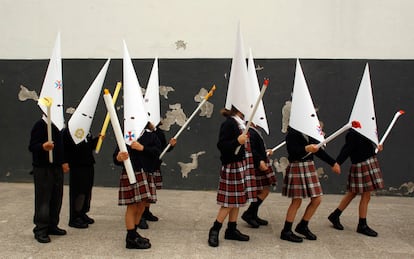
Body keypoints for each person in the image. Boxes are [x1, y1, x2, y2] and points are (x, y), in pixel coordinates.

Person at [280, 126, 340, 243]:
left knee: (317, 199)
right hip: (297, 166)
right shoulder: (292, 133)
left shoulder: (308, 131)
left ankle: (303, 225)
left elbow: (318, 150)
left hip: (309, 166)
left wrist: (333, 163)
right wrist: (306, 148)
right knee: (296, 201)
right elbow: (293, 152)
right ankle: (286, 231)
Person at [208, 106, 255, 247]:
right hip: (232, 166)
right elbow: (222, 145)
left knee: (237, 199)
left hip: (241, 165)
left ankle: (232, 229)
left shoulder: (240, 122)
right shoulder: (229, 123)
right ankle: (215, 229)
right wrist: (237, 142)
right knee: (229, 202)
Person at [328, 129, 384, 237]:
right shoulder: (353, 133)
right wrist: (337, 163)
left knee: (353, 193)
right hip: (361, 165)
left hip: (368, 162)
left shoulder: (365, 129)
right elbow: (347, 149)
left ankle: (335, 215)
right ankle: (362, 225)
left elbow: (366, 146)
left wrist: (376, 147)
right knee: (365, 195)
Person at [114, 122, 161, 249]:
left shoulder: (151, 136)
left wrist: (143, 148)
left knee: (141, 206)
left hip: (145, 173)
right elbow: (116, 156)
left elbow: (157, 152)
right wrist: (119, 157)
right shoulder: (126, 136)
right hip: (131, 174)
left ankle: (134, 233)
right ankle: (130, 236)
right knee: (132, 206)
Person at [29, 116, 68, 243]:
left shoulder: (57, 126)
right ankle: (40, 229)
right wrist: (42, 146)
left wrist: (63, 161)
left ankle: (52, 225)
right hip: (43, 168)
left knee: (56, 197)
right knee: (43, 200)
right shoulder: (40, 125)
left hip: (56, 167)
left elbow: (61, 146)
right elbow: (32, 146)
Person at [138, 124, 176, 228]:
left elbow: (161, 149)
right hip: (142, 166)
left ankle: (146, 211)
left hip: (153, 165)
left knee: (149, 191)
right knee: (142, 193)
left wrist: (170, 145)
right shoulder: (138, 132)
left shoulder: (158, 132)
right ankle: (139, 215)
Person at [241, 123, 276, 228]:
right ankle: (249, 214)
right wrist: (260, 161)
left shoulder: (253, 130)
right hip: (257, 165)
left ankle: (253, 215)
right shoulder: (249, 131)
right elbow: (251, 150)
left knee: (262, 190)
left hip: (259, 162)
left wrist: (265, 152)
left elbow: (257, 148)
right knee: (264, 190)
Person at [62, 129, 99, 229]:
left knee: (87, 190)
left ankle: (83, 212)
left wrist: (97, 140)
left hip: (88, 163)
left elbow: (89, 146)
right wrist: (64, 161)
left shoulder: (87, 130)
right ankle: (75, 217)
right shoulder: (69, 130)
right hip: (77, 165)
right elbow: (64, 146)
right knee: (78, 191)